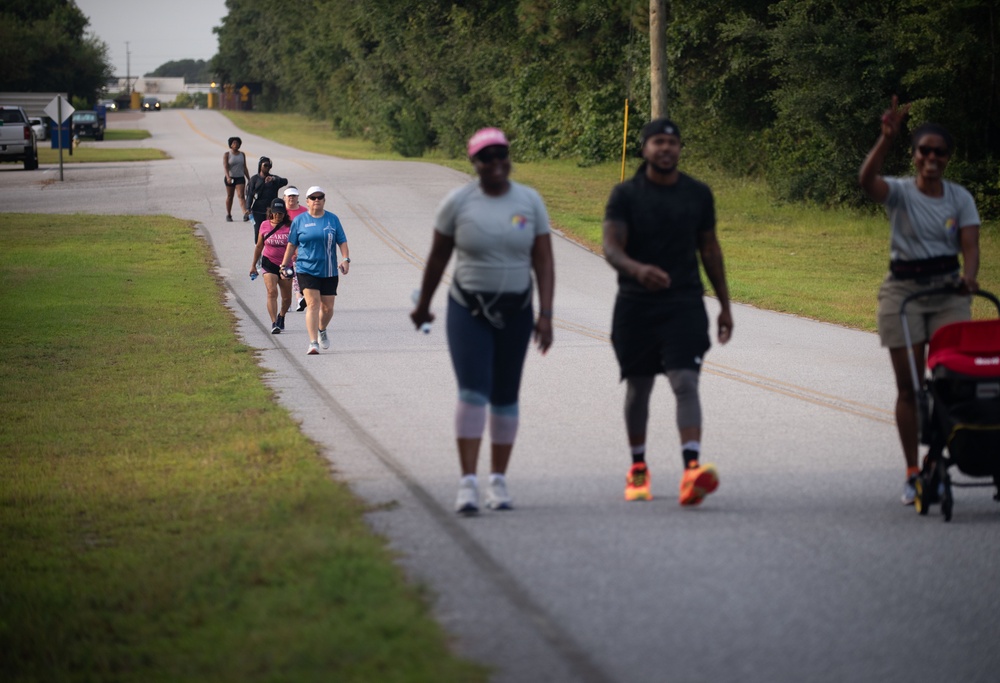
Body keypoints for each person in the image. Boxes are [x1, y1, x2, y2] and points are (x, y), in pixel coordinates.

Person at [410, 127, 555, 515]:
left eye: (500, 155)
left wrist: (546, 315)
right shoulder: (457, 203)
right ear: (473, 163)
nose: (494, 164)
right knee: (473, 391)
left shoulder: (529, 201)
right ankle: (468, 483)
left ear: (508, 157)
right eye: (485, 157)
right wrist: (423, 304)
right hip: (468, 309)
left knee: (506, 394)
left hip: (517, 310)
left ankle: (498, 481)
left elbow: (543, 260)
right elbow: (438, 258)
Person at [602, 118, 733, 506]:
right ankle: (637, 468)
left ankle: (691, 469)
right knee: (639, 387)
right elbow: (611, 247)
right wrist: (637, 270)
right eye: (658, 142)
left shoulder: (697, 194)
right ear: (644, 149)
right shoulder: (625, 194)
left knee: (685, 382)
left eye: (672, 143)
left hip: (684, 303)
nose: (666, 149)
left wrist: (725, 305)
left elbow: (710, 249)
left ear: (679, 149)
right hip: (636, 305)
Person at [858, 96, 981, 505]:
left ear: (947, 158)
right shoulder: (900, 192)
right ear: (914, 156)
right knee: (909, 387)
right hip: (903, 293)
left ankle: (937, 463)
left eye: (939, 152)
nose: (931, 157)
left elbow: (970, 244)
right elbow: (866, 182)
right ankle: (912, 472)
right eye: (924, 150)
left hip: (946, 293)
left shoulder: (959, 198)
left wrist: (969, 278)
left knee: (952, 382)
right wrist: (885, 138)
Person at [279, 186, 350, 355]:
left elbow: (342, 241)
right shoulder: (299, 221)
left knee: (327, 309)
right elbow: (291, 244)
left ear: (324, 200)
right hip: (306, 268)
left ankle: (321, 329)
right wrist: (284, 265)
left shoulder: (332, 219)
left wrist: (346, 259)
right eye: (313, 197)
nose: (316, 200)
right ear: (307, 201)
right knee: (312, 304)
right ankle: (312, 343)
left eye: (320, 197)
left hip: (329, 270)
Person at [250, 198, 294, 334]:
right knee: (271, 292)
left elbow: (295, 245)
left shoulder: (291, 226)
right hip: (269, 263)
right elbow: (259, 246)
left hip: (286, 266)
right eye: (276, 213)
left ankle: (281, 315)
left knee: (287, 299)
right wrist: (253, 266)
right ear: (271, 212)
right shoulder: (264, 225)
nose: (278, 216)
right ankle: (274, 322)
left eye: (281, 213)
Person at [245, 156, 288, 242]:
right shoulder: (254, 179)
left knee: (272, 231)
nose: (267, 168)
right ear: (260, 165)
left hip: (271, 211)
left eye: (269, 166)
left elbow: (285, 181)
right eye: (265, 165)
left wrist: (274, 179)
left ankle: (269, 249)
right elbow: (249, 194)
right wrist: (248, 208)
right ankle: (258, 251)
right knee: (258, 232)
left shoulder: (273, 179)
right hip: (257, 210)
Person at [283, 186, 309, 313]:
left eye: (294, 196)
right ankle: (287, 301)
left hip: (301, 249)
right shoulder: (280, 212)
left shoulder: (304, 212)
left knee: (298, 276)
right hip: (284, 249)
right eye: (289, 196)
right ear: (284, 198)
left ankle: (299, 298)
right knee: (287, 277)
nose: (291, 198)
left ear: (298, 197)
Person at [223, 137, 250, 222]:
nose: (236, 144)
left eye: (237, 143)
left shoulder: (242, 154)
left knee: (241, 195)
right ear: (230, 145)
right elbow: (225, 166)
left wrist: (249, 178)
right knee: (230, 196)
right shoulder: (227, 154)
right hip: (230, 178)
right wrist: (228, 177)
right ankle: (228, 214)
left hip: (240, 177)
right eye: (234, 143)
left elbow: (244, 167)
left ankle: (245, 213)